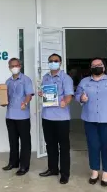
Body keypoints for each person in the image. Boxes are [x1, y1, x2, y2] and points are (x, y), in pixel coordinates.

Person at [75, 57, 107, 187]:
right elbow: (77, 96)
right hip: (90, 120)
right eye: (94, 65)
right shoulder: (84, 81)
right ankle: (94, 172)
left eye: (99, 64)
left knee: (106, 147)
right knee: (93, 146)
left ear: (103, 67)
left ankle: (106, 173)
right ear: (91, 68)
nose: (97, 66)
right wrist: (81, 98)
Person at [38, 53, 74, 185]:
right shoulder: (45, 77)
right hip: (47, 116)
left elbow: (69, 95)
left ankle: (65, 174)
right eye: (51, 61)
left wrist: (66, 101)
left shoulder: (66, 78)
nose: (53, 62)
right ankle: (52, 169)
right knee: (50, 145)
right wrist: (42, 93)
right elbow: (44, 92)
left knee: (63, 147)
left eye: (56, 61)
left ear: (60, 62)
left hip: (61, 118)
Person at [2, 58, 34, 176]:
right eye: (12, 66)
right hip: (10, 115)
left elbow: (29, 95)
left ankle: (24, 166)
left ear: (20, 66)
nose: (14, 67)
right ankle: (13, 163)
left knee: (25, 142)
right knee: (13, 141)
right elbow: (5, 98)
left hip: (22, 116)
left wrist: (25, 102)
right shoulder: (7, 82)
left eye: (16, 65)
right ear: (9, 67)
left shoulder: (26, 80)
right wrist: (2, 102)